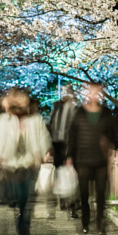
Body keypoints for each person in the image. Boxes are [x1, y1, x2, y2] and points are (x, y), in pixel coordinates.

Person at [0, 87, 52, 235]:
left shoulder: (35, 119)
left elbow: (42, 136)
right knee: (16, 192)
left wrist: (45, 152)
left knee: (28, 194)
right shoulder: (5, 120)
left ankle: (24, 221)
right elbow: (0, 138)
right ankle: (19, 214)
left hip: (29, 161)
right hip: (11, 162)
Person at [66, 81, 118, 235]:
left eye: (97, 92)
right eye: (91, 91)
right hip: (82, 157)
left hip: (101, 158)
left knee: (101, 192)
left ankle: (100, 223)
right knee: (84, 193)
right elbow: (72, 135)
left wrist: (111, 144)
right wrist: (69, 155)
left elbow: (115, 133)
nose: (93, 94)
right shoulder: (80, 112)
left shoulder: (106, 113)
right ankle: (85, 222)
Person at [48, 85, 78, 215]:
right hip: (58, 144)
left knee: (72, 172)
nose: (66, 95)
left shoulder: (76, 108)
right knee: (60, 172)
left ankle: (73, 204)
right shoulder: (56, 107)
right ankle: (63, 199)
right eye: (64, 92)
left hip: (71, 144)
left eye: (69, 92)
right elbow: (51, 124)